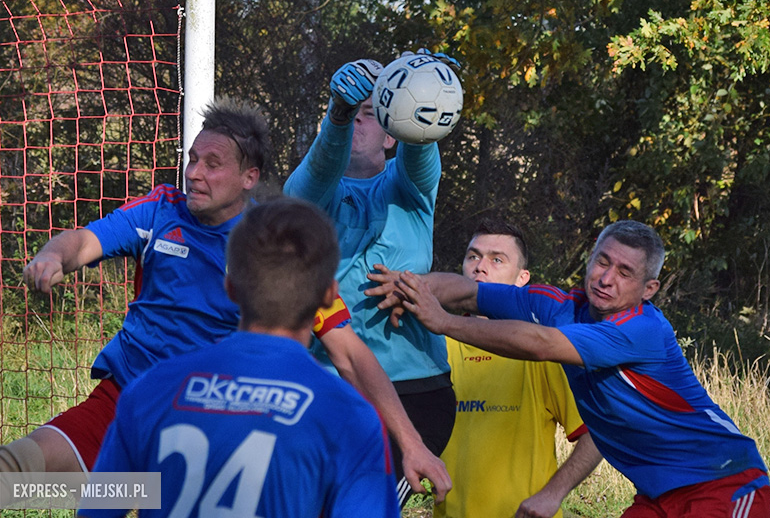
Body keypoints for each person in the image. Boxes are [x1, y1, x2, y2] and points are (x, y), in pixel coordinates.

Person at [2, 97, 447, 506]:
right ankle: (140, 488)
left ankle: (141, 489)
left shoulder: (274, 245)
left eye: (212, 164)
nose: (194, 173)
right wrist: (53, 255)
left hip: (214, 418)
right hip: (128, 400)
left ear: (248, 178)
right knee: (13, 479)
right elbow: (87, 239)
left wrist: (412, 444)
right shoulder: (161, 210)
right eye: (193, 159)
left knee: (150, 494)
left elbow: (349, 353)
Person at [367, 220, 770, 517]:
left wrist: (445, 321)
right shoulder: (558, 306)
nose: (606, 279)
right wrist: (408, 285)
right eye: (603, 262)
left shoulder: (642, 329)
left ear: (648, 290)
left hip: (725, 483)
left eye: (625, 272)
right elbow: (467, 289)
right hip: (656, 495)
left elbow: (542, 345)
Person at [76, 197, 399, 518]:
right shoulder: (350, 418)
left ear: (230, 287)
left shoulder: (148, 391)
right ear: (329, 295)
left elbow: (95, 511)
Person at [284, 52, 457, 505]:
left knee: (361, 505)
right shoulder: (309, 195)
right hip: (328, 385)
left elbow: (419, 147)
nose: (359, 122)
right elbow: (319, 170)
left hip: (416, 392)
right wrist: (338, 113)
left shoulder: (411, 188)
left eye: (371, 114)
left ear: (390, 134)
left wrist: (415, 88)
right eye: (350, 114)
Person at [435, 219, 602, 518]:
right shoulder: (436, 347)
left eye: (497, 259)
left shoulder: (541, 350)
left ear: (522, 278)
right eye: (473, 256)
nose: (480, 267)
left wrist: (552, 495)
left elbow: (598, 433)